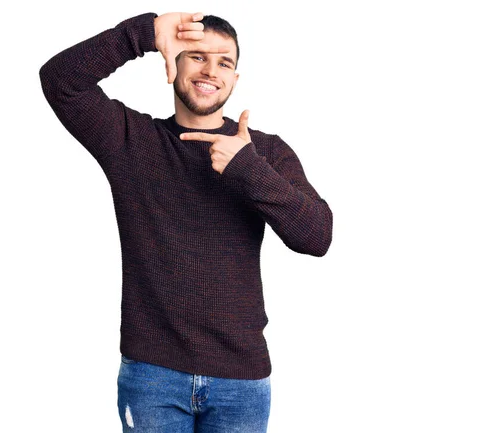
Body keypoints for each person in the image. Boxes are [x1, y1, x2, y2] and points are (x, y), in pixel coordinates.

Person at [39, 11, 333, 432]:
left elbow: (318, 236)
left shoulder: (264, 152)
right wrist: (140, 34)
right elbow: (60, 81)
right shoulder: (130, 141)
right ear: (173, 60)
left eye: (224, 62)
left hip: (241, 380)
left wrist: (247, 169)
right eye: (196, 56)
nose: (210, 70)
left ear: (234, 78)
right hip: (152, 375)